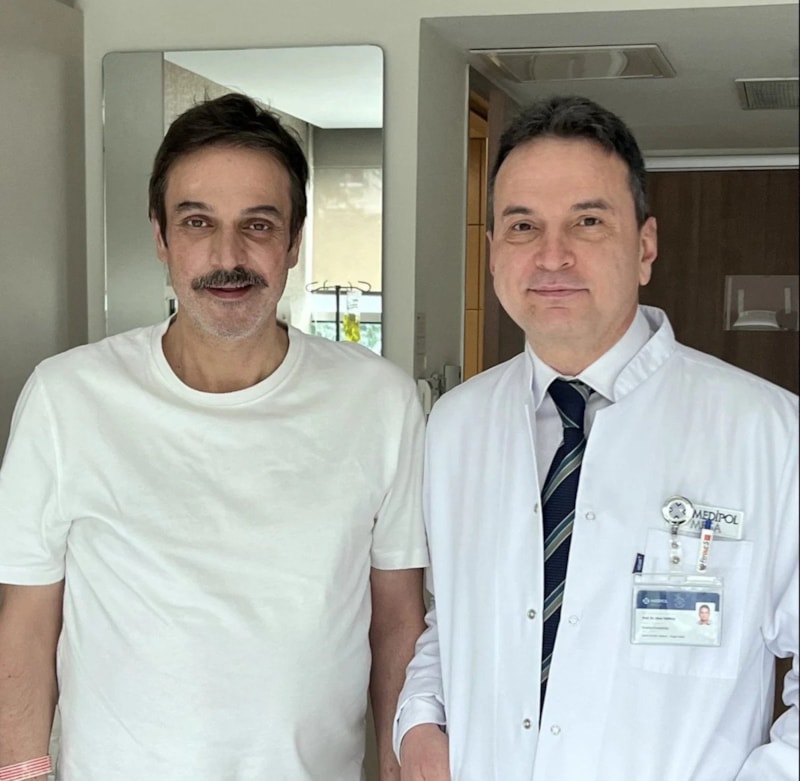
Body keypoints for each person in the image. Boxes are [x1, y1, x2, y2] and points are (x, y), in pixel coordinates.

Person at [0, 93, 428, 780]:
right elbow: (26, 621)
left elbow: (398, 622)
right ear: (161, 237)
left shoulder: (380, 401)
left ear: (293, 241)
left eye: (258, 224)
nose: (228, 256)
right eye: (197, 222)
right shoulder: (66, 397)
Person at [394, 95, 798, 780]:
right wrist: (419, 718)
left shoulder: (772, 435)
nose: (552, 256)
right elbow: (455, 620)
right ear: (492, 254)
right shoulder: (453, 427)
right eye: (523, 226)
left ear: (645, 246)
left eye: (588, 221)